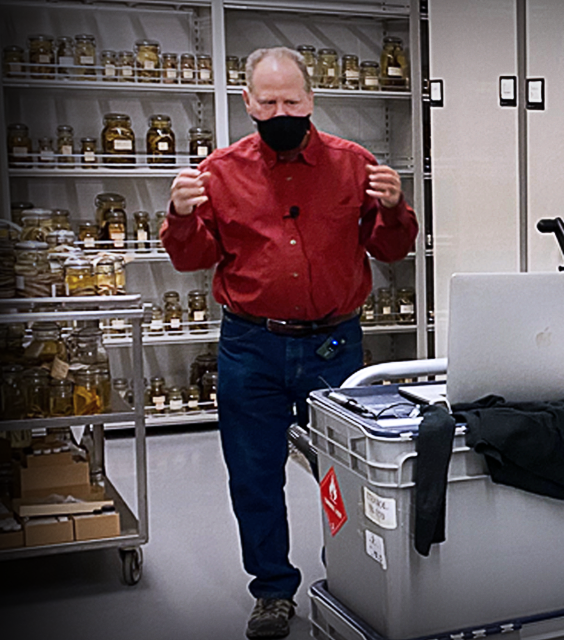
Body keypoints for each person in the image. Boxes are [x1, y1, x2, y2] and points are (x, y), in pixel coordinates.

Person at [162, 47, 418, 639]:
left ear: (311, 99)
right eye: (269, 101)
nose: (281, 112)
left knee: (346, 470)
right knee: (253, 473)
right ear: (248, 103)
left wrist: (395, 207)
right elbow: (192, 258)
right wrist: (179, 216)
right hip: (250, 345)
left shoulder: (354, 165)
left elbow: (391, 249)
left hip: (333, 343)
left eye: (292, 100)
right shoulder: (218, 173)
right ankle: (273, 590)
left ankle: (349, 574)